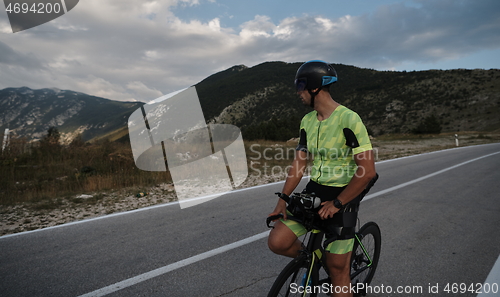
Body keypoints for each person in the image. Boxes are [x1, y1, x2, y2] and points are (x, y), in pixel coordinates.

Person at [267, 60, 376, 297]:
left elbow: (367, 171)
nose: (298, 92)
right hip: (315, 189)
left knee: (338, 272)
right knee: (278, 241)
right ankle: (315, 260)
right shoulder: (307, 121)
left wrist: (338, 203)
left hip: (343, 193)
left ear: (314, 87)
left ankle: (338, 268)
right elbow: (299, 163)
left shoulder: (349, 119)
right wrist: (282, 200)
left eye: (300, 86)